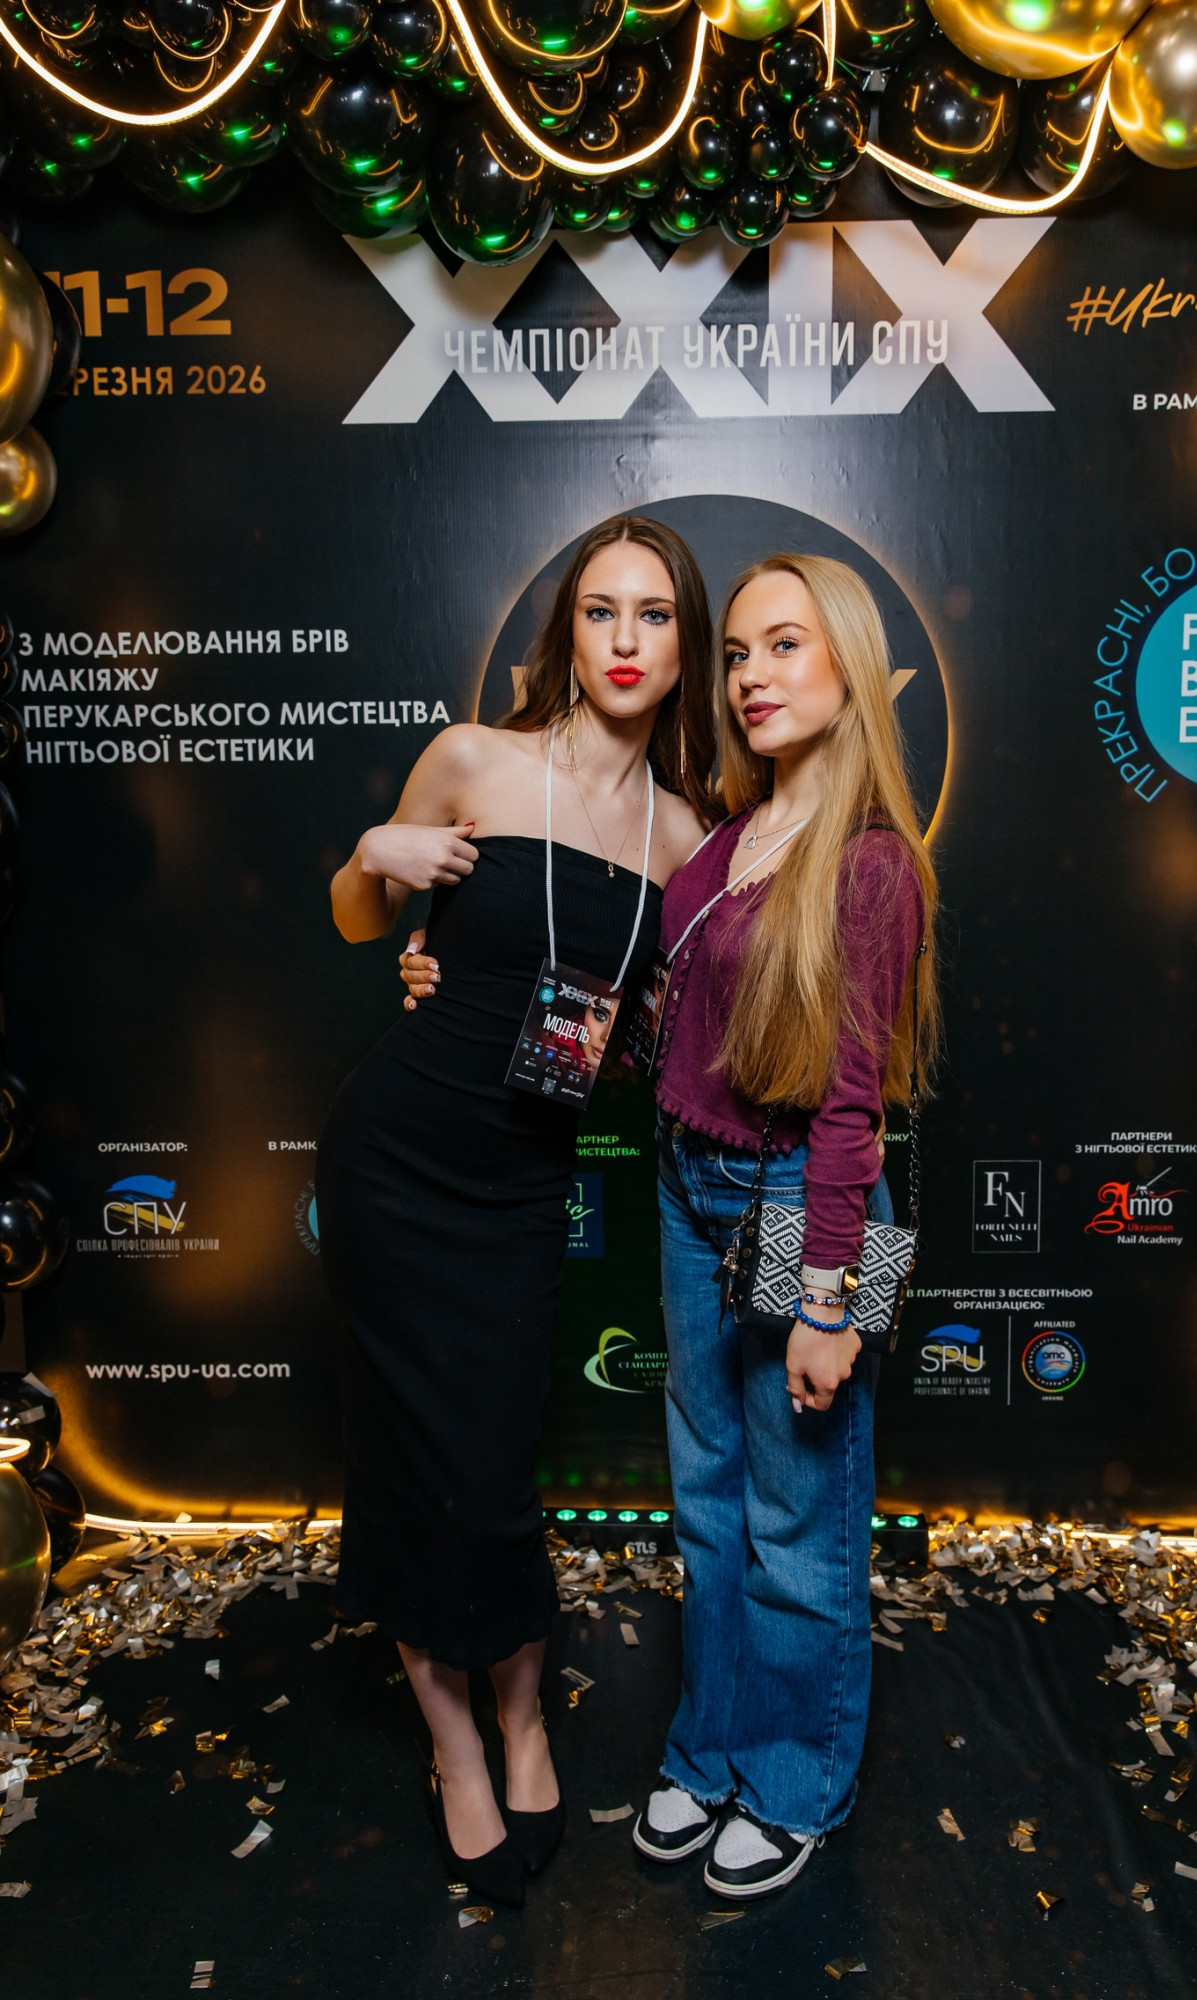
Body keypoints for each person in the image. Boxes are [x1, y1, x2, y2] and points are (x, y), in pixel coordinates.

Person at [317, 515, 713, 1909]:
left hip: (523, 1179)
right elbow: (358, 921)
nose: (624, 639)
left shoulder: (686, 837)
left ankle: (523, 1716)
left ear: (684, 646)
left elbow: (664, 1034)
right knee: (407, 1462)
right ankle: (455, 1748)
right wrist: (375, 850)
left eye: (653, 614)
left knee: (490, 1468)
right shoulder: (475, 759)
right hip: (394, 1158)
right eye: (601, 610)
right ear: (567, 631)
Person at [630, 553, 940, 1899]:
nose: (751, 675)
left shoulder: (869, 864)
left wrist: (828, 1301)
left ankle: (796, 1781)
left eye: (785, 646)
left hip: (803, 1206)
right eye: (740, 652)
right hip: (687, 1186)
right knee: (706, 1504)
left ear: (849, 669)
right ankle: (709, 1749)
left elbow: (852, 1114)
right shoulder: (728, 834)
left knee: (799, 1524)